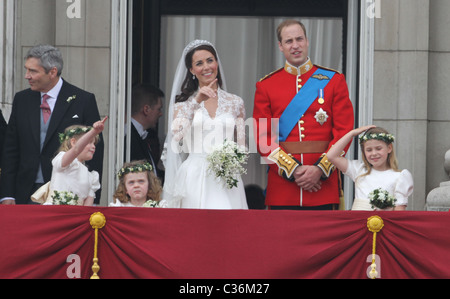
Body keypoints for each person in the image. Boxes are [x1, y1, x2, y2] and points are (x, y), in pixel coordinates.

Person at [253, 19, 354, 210]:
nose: (295, 45)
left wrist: (320, 169)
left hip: (322, 187)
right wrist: (293, 170)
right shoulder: (266, 85)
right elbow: (263, 139)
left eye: (299, 39)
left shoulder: (334, 81)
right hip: (283, 189)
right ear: (280, 46)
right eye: (289, 41)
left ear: (307, 41)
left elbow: (344, 132)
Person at [0, 44, 104, 205]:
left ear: (52, 72)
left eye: (33, 71)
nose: (27, 76)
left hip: (67, 194)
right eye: (27, 70)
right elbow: (10, 149)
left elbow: (95, 149)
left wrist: (92, 198)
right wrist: (7, 195)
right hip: (25, 192)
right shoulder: (22, 99)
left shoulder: (83, 100)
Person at [162, 39, 248, 209]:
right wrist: (197, 101)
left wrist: (229, 158)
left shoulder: (235, 102)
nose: (207, 67)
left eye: (210, 60)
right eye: (199, 63)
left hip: (226, 176)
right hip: (194, 175)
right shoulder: (181, 105)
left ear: (217, 63)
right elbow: (177, 136)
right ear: (192, 70)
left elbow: (242, 145)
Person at [327, 126, 413, 211]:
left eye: (378, 148)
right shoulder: (359, 170)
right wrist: (351, 134)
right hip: (358, 222)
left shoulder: (400, 176)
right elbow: (331, 156)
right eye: (369, 150)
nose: (374, 153)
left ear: (389, 148)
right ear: (364, 152)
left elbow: (399, 211)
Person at [31, 118, 107, 206]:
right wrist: (94, 131)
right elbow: (76, 150)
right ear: (73, 142)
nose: (93, 146)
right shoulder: (64, 160)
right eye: (89, 142)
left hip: (75, 216)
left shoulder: (91, 177)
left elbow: (87, 209)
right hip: (55, 212)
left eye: (94, 143)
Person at [128, 84, 165, 182]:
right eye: (159, 109)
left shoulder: (140, 135)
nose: (160, 114)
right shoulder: (128, 138)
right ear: (146, 110)